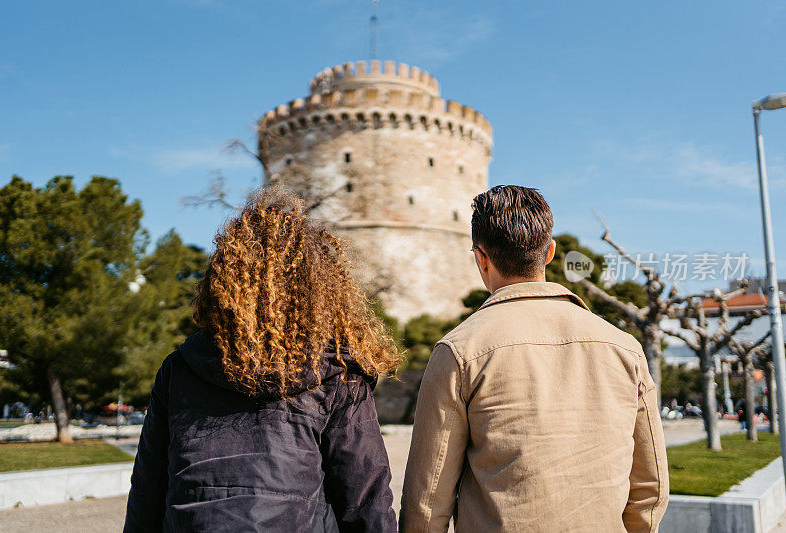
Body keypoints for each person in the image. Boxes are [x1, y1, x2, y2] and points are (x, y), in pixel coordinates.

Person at [124, 188, 403, 532]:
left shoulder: (181, 366)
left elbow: (147, 491)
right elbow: (364, 496)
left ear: (223, 281)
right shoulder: (337, 372)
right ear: (319, 289)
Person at [400, 185, 669, 532]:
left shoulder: (458, 351)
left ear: (481, 258)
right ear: (550, 252)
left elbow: (428, 497)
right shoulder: (625, 348)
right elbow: (651, 485)